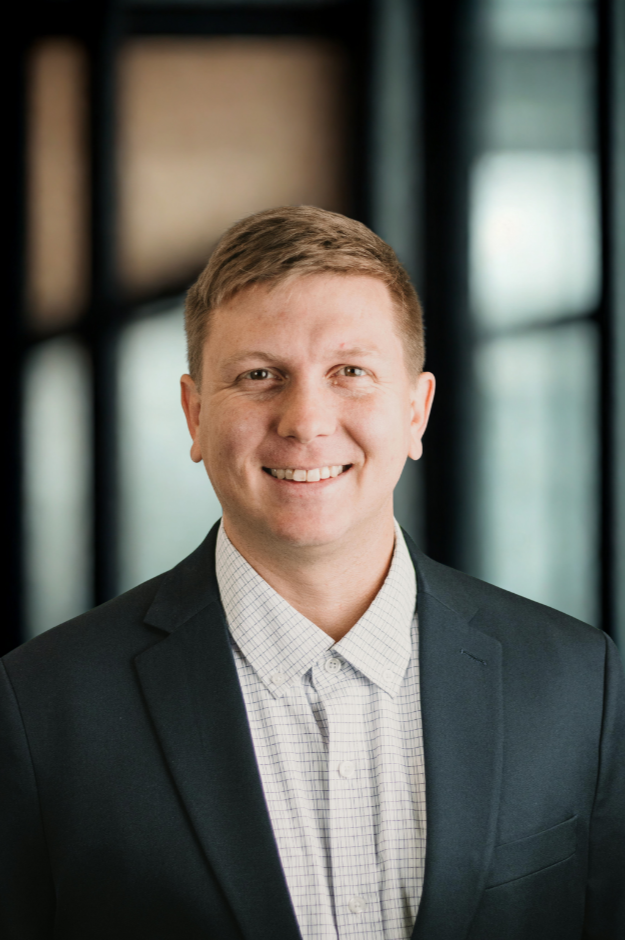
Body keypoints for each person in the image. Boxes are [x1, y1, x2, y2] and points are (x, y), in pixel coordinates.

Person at [1, 206, 623, 940]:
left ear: (416, 412)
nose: (305, 420)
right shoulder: (42, 706)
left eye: (350, 373)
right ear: (194, 415)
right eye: (259, 375)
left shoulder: (577, 683)